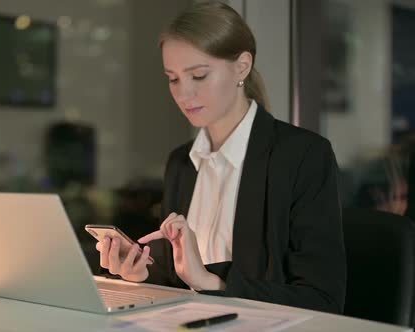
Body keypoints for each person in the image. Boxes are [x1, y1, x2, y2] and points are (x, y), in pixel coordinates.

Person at [96, 1, 346, 314]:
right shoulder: (181, 162)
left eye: (198, 76)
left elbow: (322, 299)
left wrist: (214, 282)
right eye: (173, 78)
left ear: (242, 66)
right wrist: (142, 274)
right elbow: (182, 282)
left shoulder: (303, 156)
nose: (183, 94)